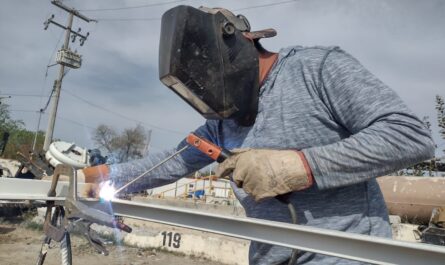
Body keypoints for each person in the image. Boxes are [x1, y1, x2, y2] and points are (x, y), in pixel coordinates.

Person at [81, 6, 435, 265]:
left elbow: (409, 136)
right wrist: (107, 177)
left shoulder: (316, 69)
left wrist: (300, 166)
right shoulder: (222, 121)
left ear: (236, 46)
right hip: (270, 257)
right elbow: (171, 163)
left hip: (348, 257)